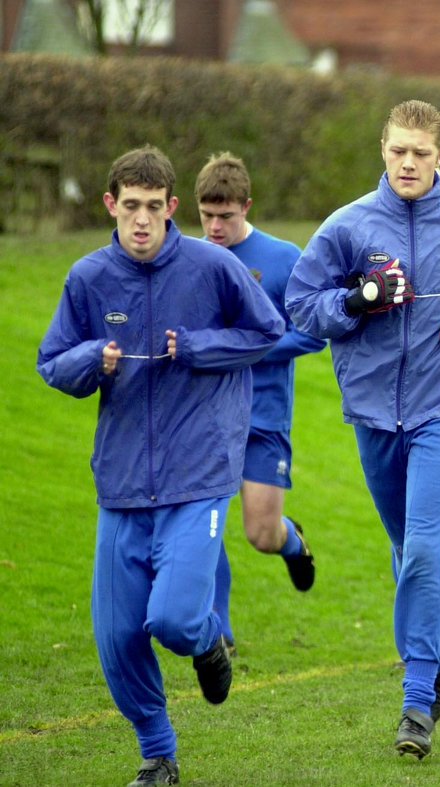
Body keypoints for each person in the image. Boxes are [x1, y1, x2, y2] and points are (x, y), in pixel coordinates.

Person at [37, 145, 284, 786]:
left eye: (154, 208)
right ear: (110, 205)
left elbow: (266, 332)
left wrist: (200, 347)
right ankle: (158, 754)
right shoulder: (89, 278)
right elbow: (51, 362)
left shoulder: (213, 267)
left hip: (198, 473)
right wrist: (94, 358)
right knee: (119, 639)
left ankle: (206, 641)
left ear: (172, 208)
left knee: (172, 620)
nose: (141, 221)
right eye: (130, 207)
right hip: (121, 482)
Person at [285, 99, 440, 759]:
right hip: (373, 414)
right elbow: (302, 305)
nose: (408, 162)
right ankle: (439, 649)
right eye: (397, 151)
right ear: (382, 149)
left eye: (420, 152)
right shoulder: (348, 226)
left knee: (424, 550)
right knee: (403, 550)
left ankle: (417, 702)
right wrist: (357, 301)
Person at [194, 152, 326, 652]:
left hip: (263, 419)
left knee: (260, 533)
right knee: (203, 527)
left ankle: (293, 543)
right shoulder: (190, 257)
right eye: (207, 215)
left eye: (225, 215)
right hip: (203, 418)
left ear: (246, 207)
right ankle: (220, 630)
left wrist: (251, 350)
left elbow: (313, 335)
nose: (215, 226)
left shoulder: (281, 258)